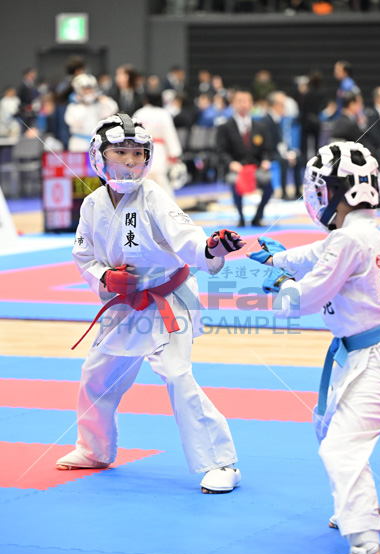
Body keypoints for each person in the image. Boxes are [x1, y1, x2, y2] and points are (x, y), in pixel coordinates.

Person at [56, 113, 243, 494]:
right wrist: (105, 278)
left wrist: (210, 249)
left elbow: (187, 237)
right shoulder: (92, 205)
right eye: (120, 152)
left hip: (167, 298)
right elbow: (84, 256)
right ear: (99, 156)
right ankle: (94, 449)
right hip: (125, 302)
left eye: (137, 154)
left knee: (175, 373)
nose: (129, 161)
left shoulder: (153, 196)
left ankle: (221, 462)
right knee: (97, 375)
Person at [249, 141, 380, 554]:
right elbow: (318, 254)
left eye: (320, 190)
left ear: (336, 193)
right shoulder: (360, 233)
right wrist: (277, 258)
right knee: (330, 426)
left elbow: (305, 298)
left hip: (377, 355)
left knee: (341, 446)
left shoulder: (350, 239)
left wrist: (281, 285)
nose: (315, 198)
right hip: (368, 351)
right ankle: (367, 510)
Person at [216, 88, 273, 227]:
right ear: (233, 103)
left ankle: (258, 216)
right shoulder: (225, 127)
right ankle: (241, 217)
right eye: (240, 101)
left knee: (268, 182)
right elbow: (221, 151)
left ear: (251, 103)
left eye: (247, 101)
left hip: (256, 168)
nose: (243, 104)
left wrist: (265, 160)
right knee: (234, 181)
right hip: (237, 169)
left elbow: (267, 149)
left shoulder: (260, 126)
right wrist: (231, 163)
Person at [134, 91, 185, 196]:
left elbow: (133, 134)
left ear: (146, 100)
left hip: (143, 150)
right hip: (159, 149)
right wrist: (174, 153)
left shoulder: (139, 113)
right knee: (162, 181)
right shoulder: (163, 114)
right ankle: (170, 205)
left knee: (144, 181)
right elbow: (169, 134)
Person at [64, 74, 118, 151]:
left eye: (90, 89)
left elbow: (113, 108)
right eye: (85, 89)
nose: (88, 92)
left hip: (97, 141)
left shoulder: (99, 104)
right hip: (79, 143)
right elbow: (73, 122)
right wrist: (82, 103)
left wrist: (101, 98)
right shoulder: (73, 107)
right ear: (78, 90)